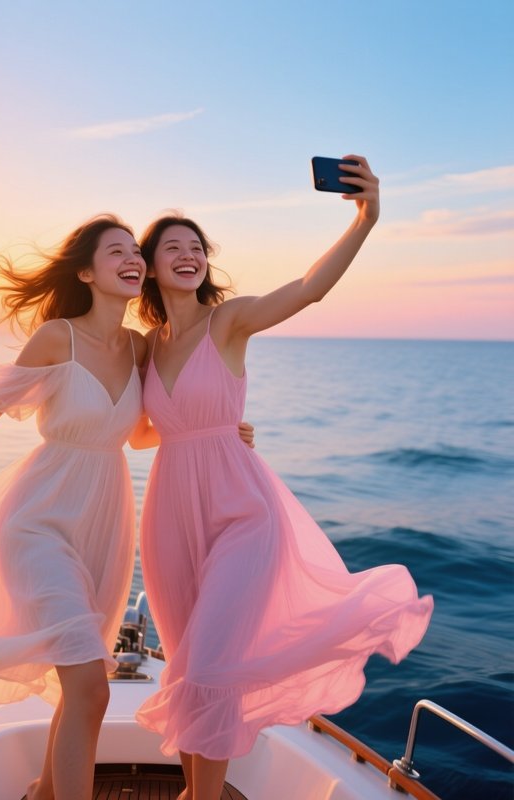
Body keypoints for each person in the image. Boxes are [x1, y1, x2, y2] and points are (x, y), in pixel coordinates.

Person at [0, 212, 256, 799]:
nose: (131, 261)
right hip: (39, 518)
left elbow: (144, 432)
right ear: (87, 273)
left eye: (132, 252)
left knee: (78, 690)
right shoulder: (57, 337)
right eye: (115, 253)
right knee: (92, 689)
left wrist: (222, 430)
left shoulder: (142, 347)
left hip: (105, 524)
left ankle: (45, 791)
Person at [132, 156, 434, 800]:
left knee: (213, 666)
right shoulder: (148, 347)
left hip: (242, 511)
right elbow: (138, 434)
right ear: (151, 266)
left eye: (196, 248)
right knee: (187, 667)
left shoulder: (230, 320)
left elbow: (308, 288)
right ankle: (192, 790)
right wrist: (205, 428)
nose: (187, 256)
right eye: (172, 249)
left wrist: (366, 219)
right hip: (167, 517)